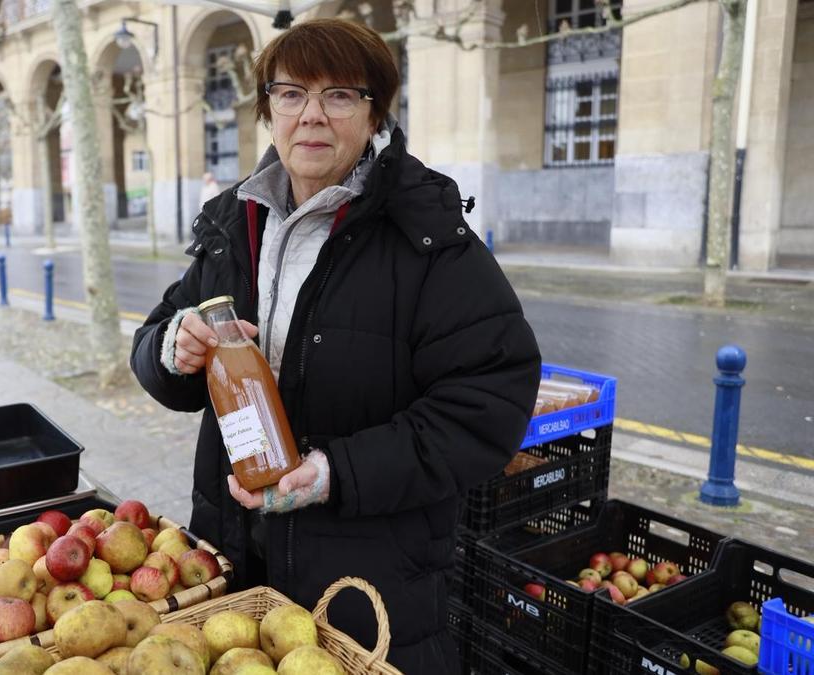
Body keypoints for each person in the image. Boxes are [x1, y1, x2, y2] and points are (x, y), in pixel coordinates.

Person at [129, 19, 540, 672]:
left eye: (340, 95)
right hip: (233, 568)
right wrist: (171, 348)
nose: (312, 114)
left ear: (375, 114)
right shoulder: (232, 223)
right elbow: (154, 343)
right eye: (291, 94)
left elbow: (489, 402)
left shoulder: (429, 239)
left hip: (368, 589)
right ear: (268, 110)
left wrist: (334, 473)